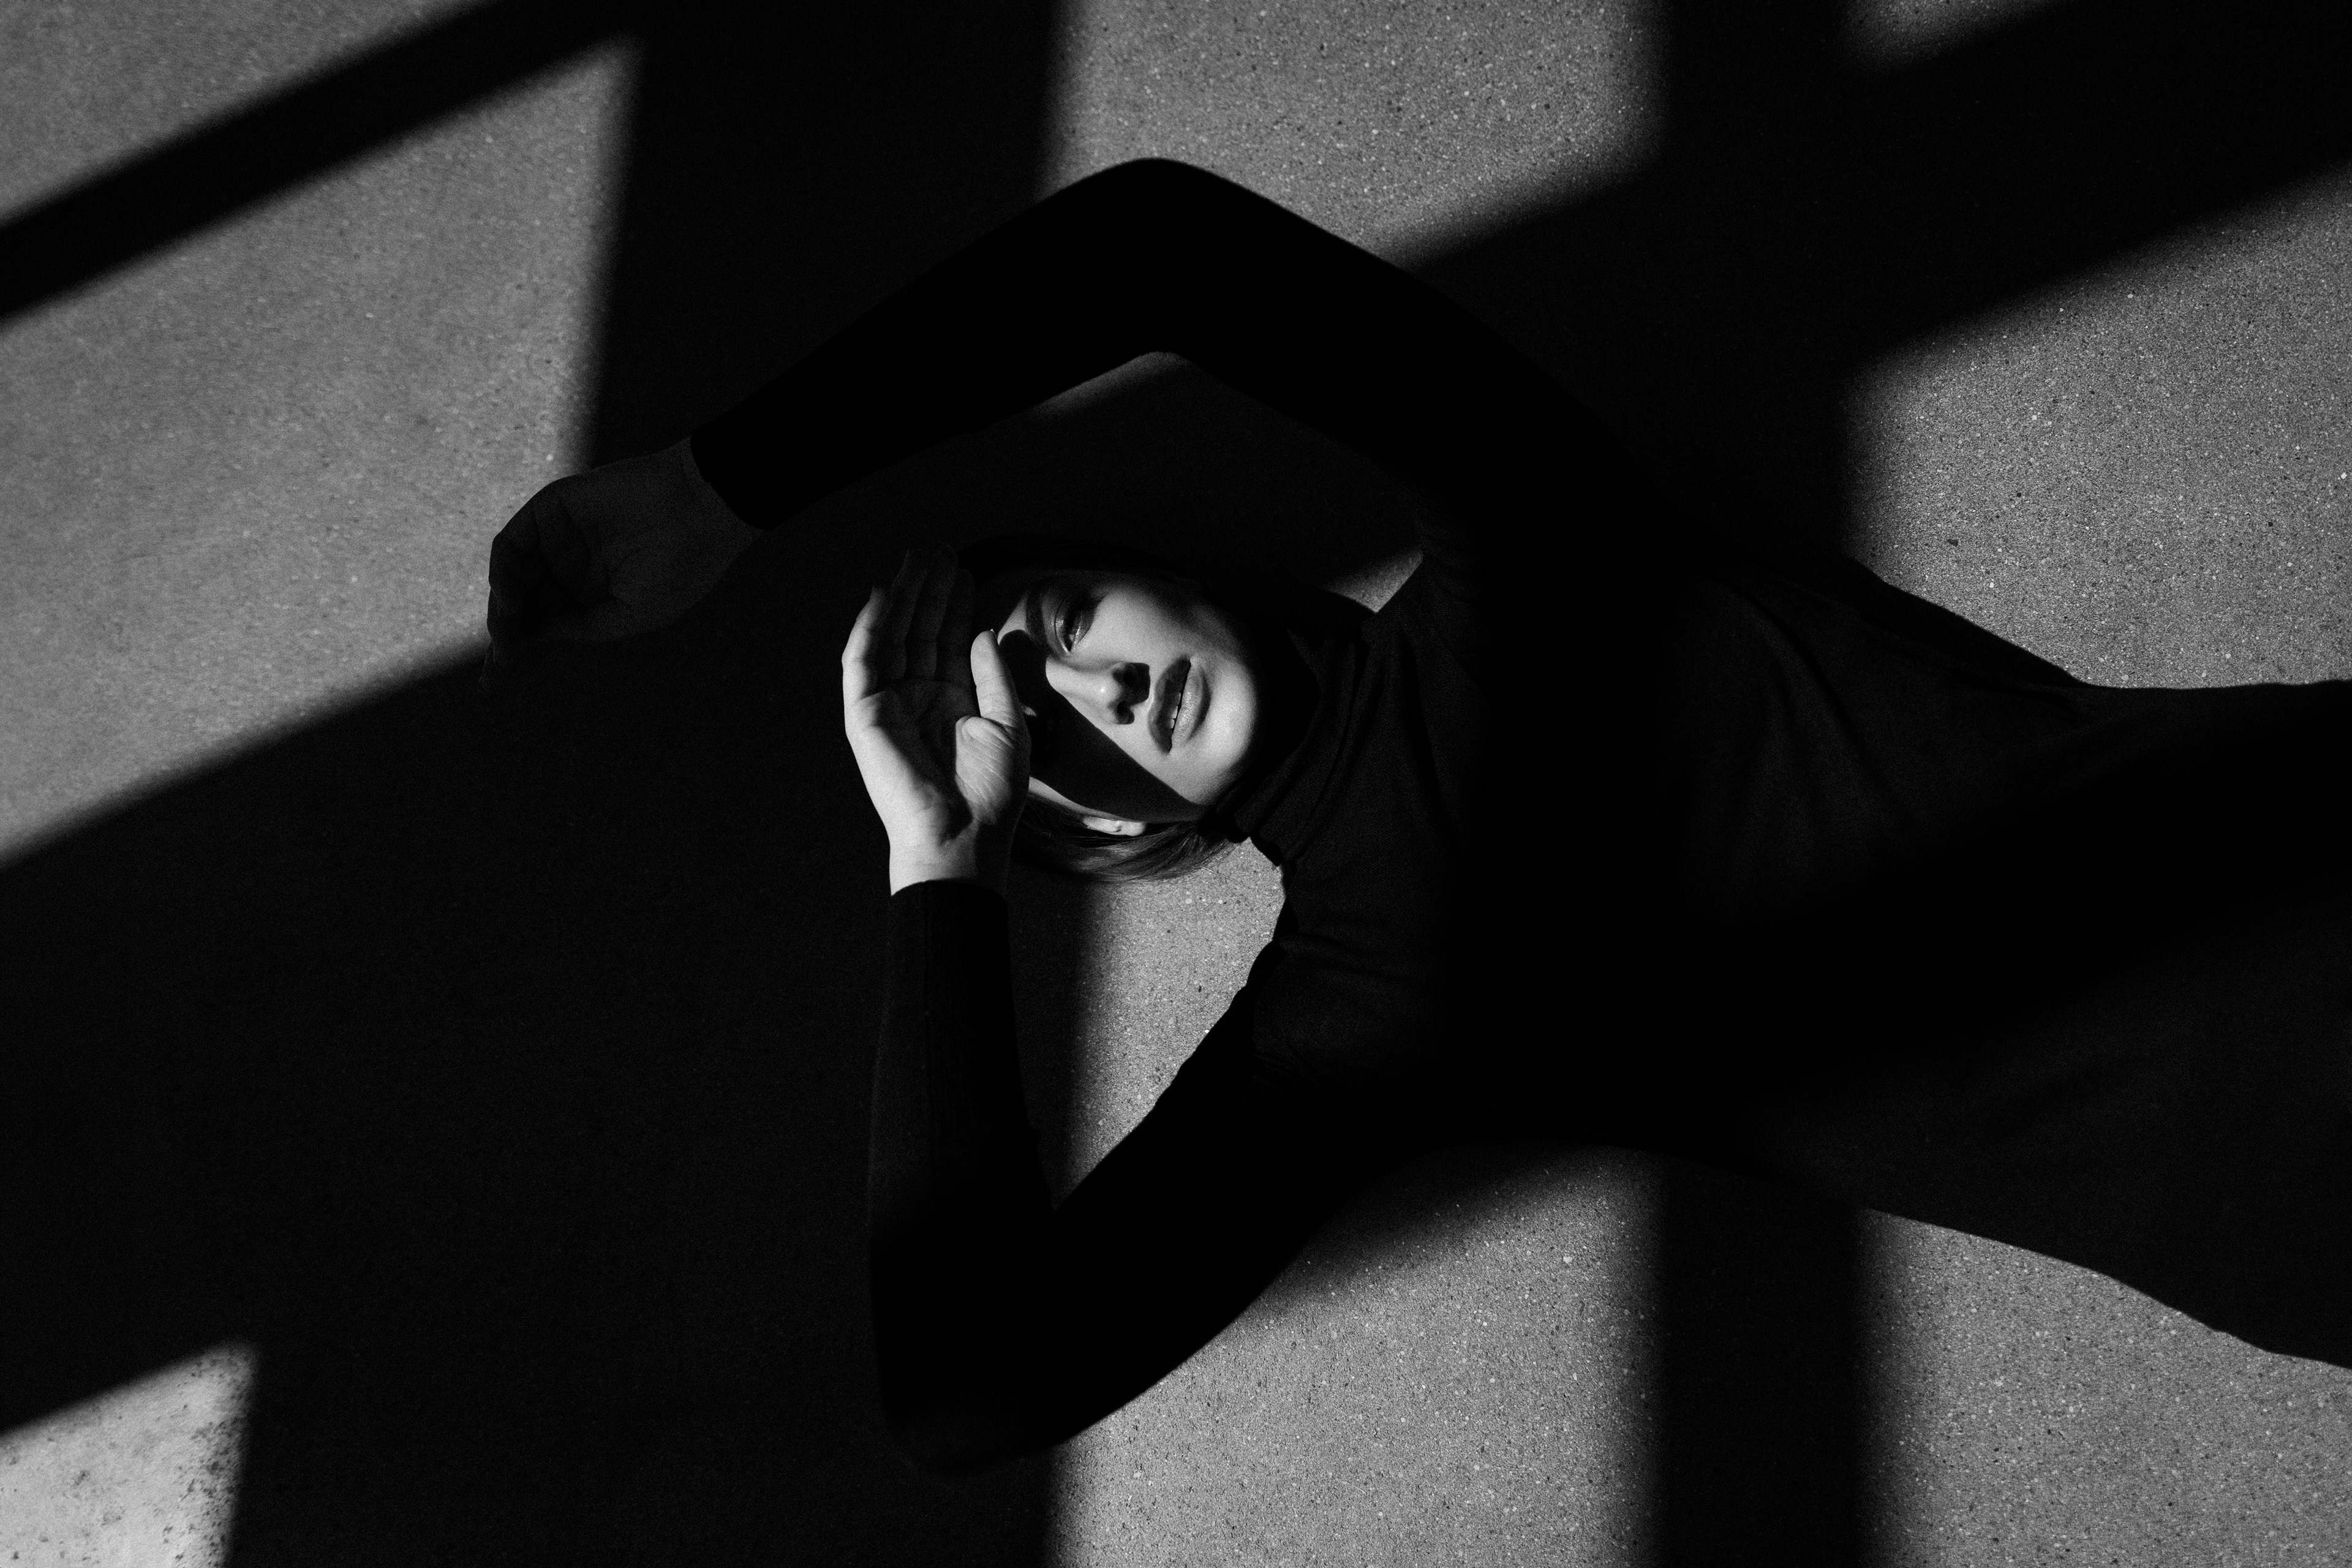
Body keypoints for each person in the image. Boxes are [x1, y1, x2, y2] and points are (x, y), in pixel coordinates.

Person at [485, 158, 2352, 1477]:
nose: (1092, 692)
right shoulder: (1355, 1019)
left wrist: (724, 485)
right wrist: (936, 860)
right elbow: (974, 1388)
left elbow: (1153, 247)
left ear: (1152, 573)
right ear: (1099, 836)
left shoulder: (1545, 555)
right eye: (1031, 736)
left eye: (1052, 625)